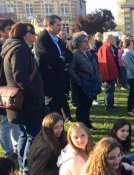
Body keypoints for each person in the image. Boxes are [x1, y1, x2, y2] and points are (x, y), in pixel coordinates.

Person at [1, 23, 46, 175]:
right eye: (32, 32)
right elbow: (19, 76)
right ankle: (27, 167)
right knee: (33, 135)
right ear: (24, 34)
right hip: (27, 103)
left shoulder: (12, 46)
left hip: (21, 103)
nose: (35, 35)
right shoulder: (19, 49)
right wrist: (35, 93)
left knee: (24, 134)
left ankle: (23, 165)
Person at [68, 32, 100, 130]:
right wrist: (78, 81)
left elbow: (94, 65)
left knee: (88, 104)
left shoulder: (88, 52)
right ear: (78, 43)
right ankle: (80, 127)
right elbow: (70, 69)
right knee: (81, 106)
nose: (87, 43)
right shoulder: (75, 54)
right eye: (85, 41)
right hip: (81, 85)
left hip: (90, 83)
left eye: (87, 41)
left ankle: (87, 123)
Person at [35, 15, 66, 114]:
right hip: (50, 81)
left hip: (59, 79)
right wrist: (62, 60)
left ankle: (58, 128)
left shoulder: (57, 39)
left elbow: (69, 55)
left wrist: (62, 59)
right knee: (51, 109)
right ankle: (50, 129)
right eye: (58, 25)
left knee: (58, 106)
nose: (60, 27)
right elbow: (52, 61)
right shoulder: (42, 40)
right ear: (49, 25)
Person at [0, 19, 20, 160]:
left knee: (15, 121)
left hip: (12, 89)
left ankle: (17, 146)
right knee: (5, 124)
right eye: (8, 29)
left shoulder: (11, 45)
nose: (12, 31)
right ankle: (8, 152)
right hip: (3, 91)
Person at [98, 34, 119, 112]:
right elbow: (104, 63)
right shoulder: (104, 48)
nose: (113, 39)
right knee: (109, 90)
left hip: (111, 72)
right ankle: (108, 106)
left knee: (112, 90)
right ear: (107, 39)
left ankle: (111, 105)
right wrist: (106, 75)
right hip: (108, 73)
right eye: (112, 38)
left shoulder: (109, 47)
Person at [122, 39, 134, 117]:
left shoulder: (132, 53)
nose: (133, 45)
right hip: (132, 76)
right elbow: (130, 67)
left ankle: (133, 107)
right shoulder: (126, 55)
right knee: (132, 93)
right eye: (131, 44)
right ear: (127, 45)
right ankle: (129, 110)